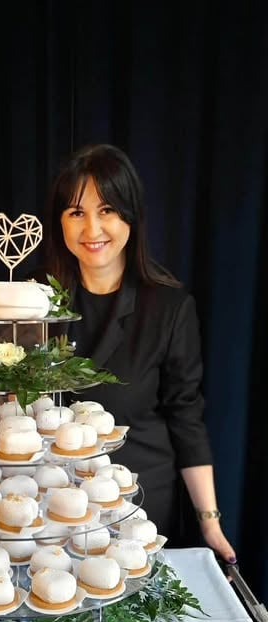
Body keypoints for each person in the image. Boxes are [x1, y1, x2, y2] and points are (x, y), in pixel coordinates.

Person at [42, 142, 236, 564]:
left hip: (138, 504)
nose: (92, 228)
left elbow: (185, 416)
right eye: (77, 212)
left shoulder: (169, 309)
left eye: (107, 209)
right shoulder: (37, 305)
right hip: (48, 507)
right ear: (60, 222)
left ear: (131, 215)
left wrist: (209, 521)